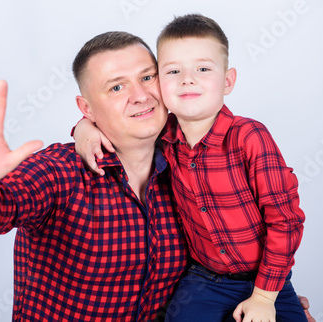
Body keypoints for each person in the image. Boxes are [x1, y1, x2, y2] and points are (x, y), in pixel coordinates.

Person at [0, 32, 190, 321]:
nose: (141, 96)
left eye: (147, 77)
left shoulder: (188, 165)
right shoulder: (59, 171)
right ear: (86, 109)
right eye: (117, 87)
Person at [74, 14, 309, 322]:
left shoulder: (249, 137)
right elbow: (122, 123)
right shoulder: (164, 137)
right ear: (161, 83)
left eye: (202, 69)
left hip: (267, 280)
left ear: (228, 81)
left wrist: (264, 297)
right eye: (173, 71)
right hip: (204, 279)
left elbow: (286, 220)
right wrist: (84, 127)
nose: (187, 79)